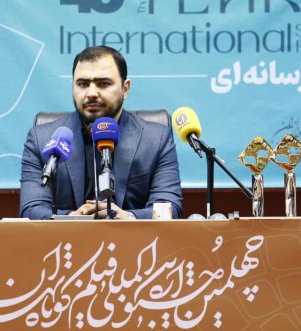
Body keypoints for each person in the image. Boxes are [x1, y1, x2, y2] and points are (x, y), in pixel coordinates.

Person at [19, 46, 182, 219]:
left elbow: (169, 208)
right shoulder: (42, 139)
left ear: (125, 88)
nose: (91, 93)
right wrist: (73, 218)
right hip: (68, 236)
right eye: (82, 84)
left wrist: (128, 217)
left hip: (133, 236)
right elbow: (31, 209)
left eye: (103, 83)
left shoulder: (156, 140)